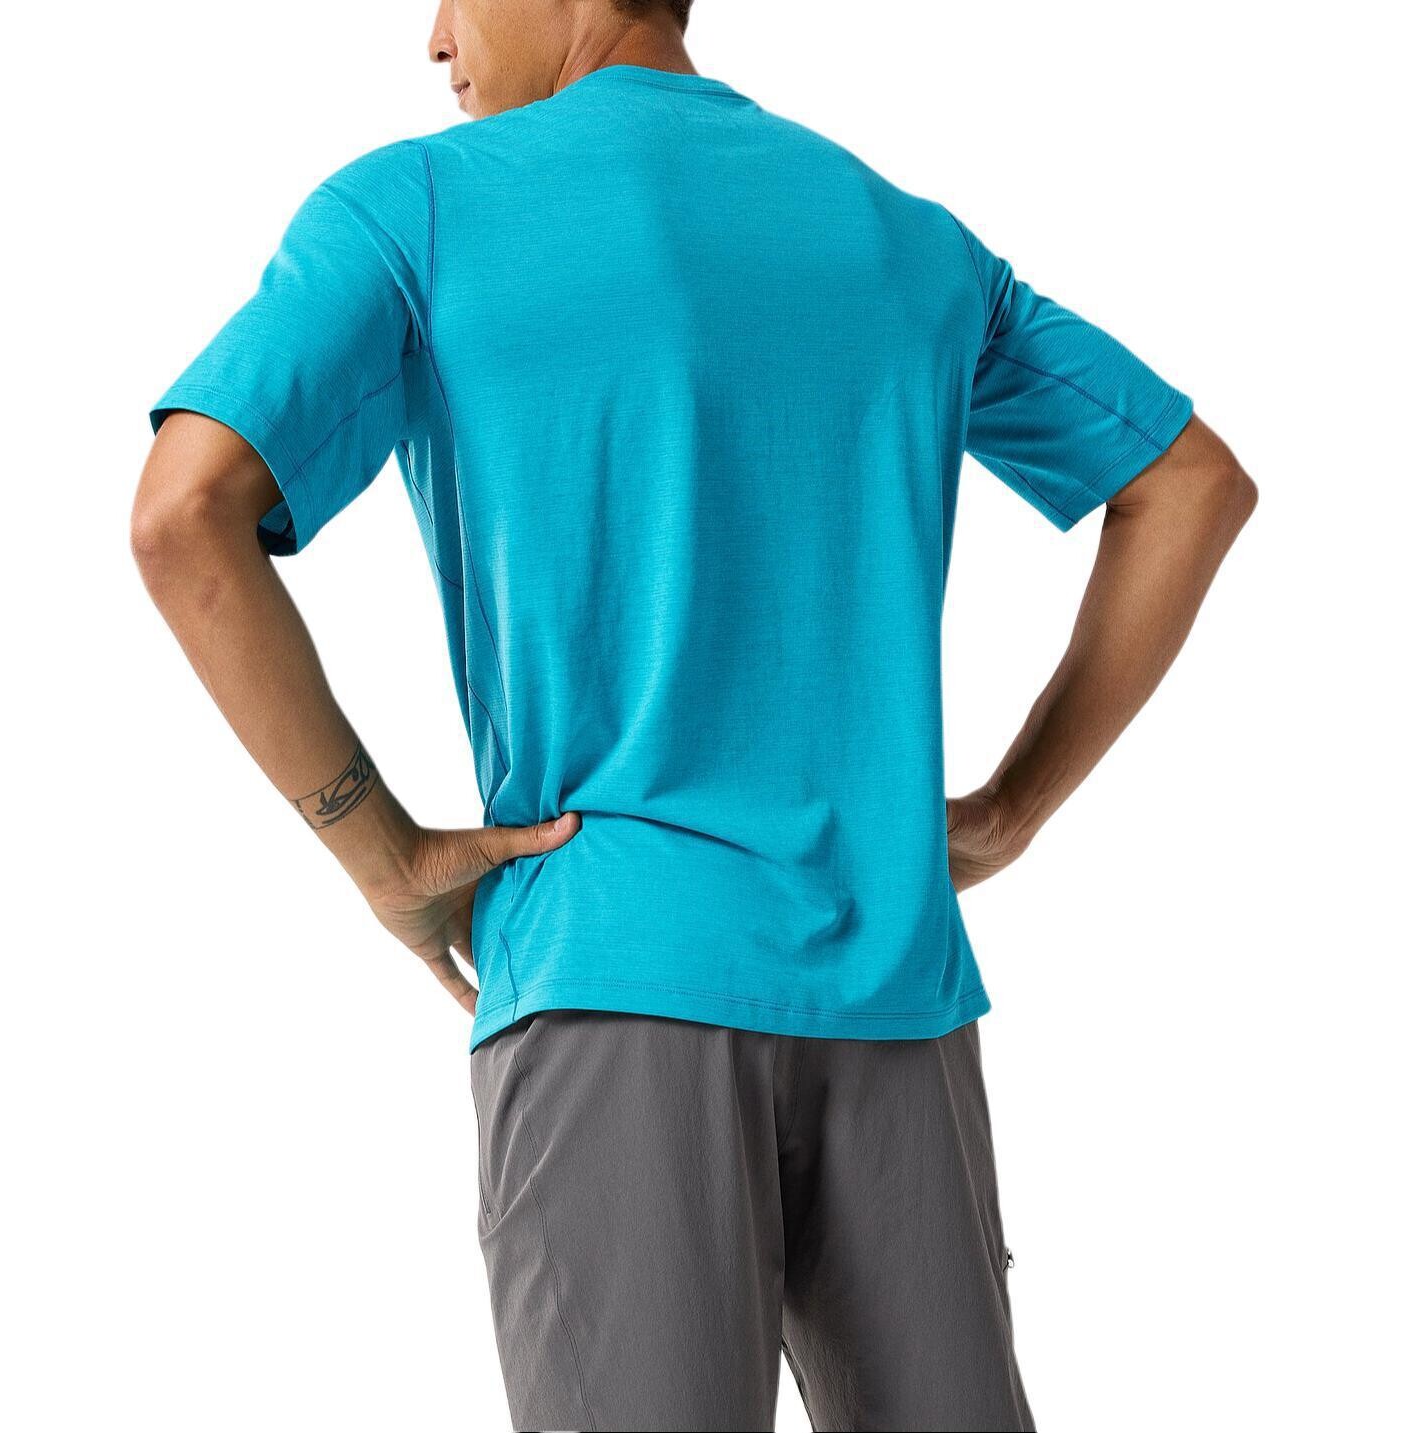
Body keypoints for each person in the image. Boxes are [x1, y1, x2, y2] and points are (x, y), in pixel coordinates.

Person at [131, 2, 1257, 1428]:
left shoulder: (418, 208)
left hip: (612, 970)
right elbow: (1188, 484)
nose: (434, 39)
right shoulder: (904, 239)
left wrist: (386, 856)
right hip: (893, 992)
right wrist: (1008, 814)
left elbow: (182, 515)